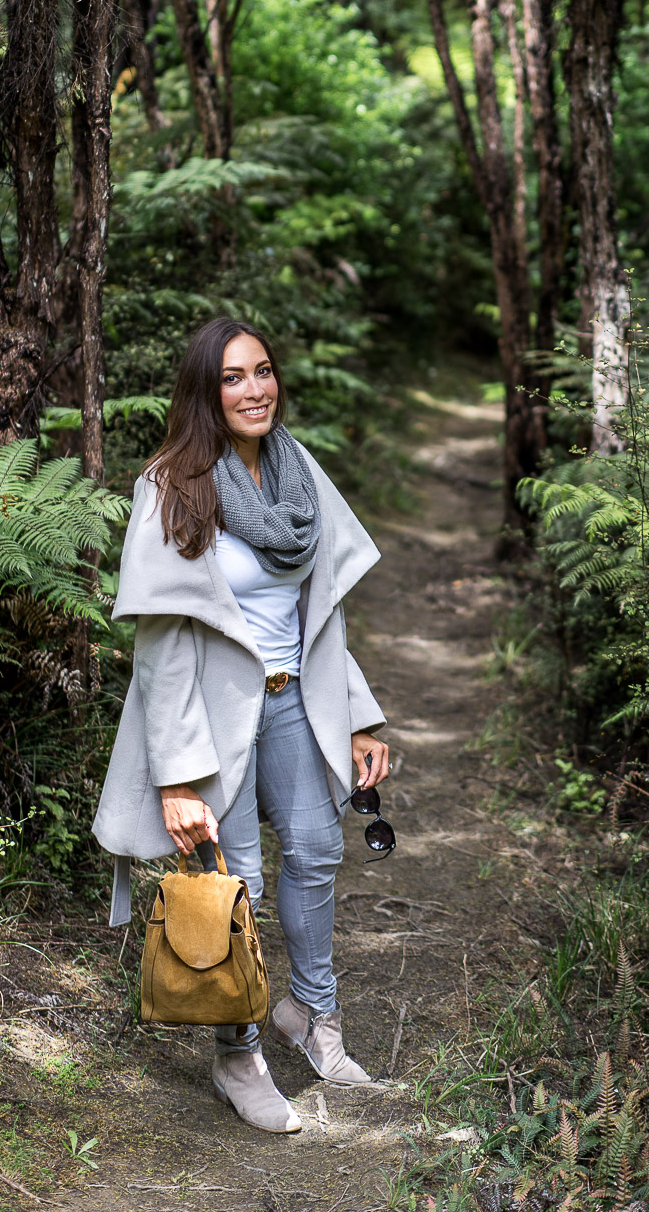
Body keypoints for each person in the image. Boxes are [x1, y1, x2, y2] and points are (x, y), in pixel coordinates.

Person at [92, 316, 390, 1133]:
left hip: (297, 695)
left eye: (262, 371)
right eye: (233, 377)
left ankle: (312, 1017)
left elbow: (320, 614)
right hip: (215, 713)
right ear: (204, 391)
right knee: (237, 886)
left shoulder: (297, 474)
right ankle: (239, 1052)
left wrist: (360, 717)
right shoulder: (172, 485)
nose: (255, 389)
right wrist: (177, 776)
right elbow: (161, 647)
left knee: (321, 851)